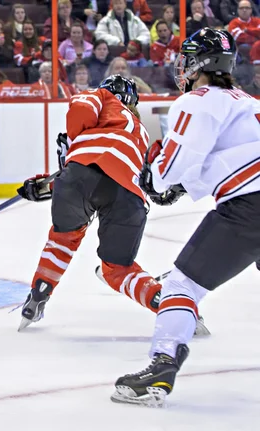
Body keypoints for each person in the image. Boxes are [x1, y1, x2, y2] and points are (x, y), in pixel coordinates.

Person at [112, 28, 260, 407]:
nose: (183, 68)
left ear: (200, 63)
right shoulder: (245, 100)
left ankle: (163, 364)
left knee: (181, 285)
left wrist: (157, 176)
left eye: (187, 60)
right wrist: (179, 183)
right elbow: (223, 158)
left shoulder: (198, 101)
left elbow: (175, 163)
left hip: (249, 208)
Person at [16, 75, 161, 331]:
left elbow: (86, 164)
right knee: (117, 269)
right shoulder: (141, 132)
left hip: (79, 179)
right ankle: (165, 303)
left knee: (64, 238)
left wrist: (56, 176)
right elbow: (112, 170)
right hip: (128, 195)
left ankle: (38, 294)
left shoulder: (103, 98)